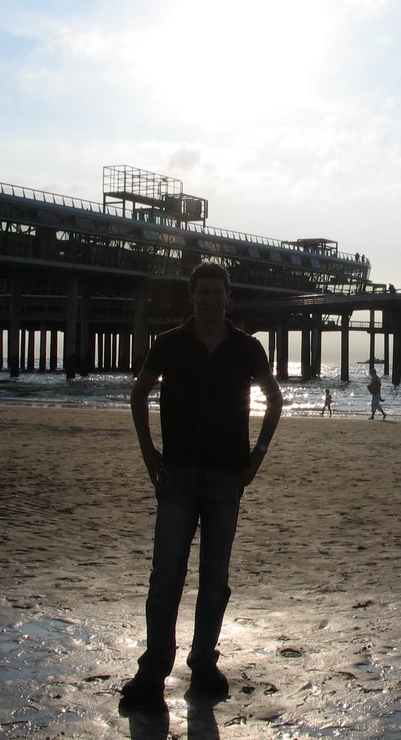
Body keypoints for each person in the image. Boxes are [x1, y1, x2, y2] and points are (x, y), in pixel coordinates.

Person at [121, 262, 283, 705]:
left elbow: (274, 400)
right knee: (165, 577)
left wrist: (258, 457)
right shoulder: (169, 344)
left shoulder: (246, 347)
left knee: (215, 580)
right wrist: (148, 452)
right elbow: (139, 394)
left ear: (228, 297)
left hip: (226, 476)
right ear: (191, 296)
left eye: (218, 292)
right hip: (177, 474)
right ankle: (153, 670)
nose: (210, 299)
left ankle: (203, 663)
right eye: (203, 292)